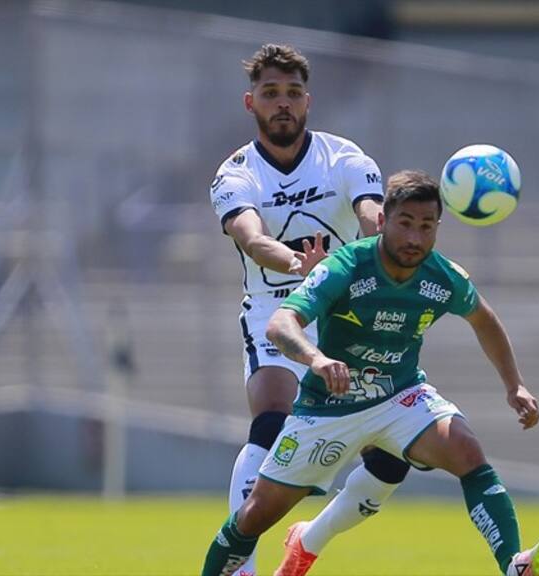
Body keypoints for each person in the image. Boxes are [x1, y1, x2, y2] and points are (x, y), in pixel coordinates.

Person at [201, 170, 539, 576]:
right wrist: (316, 360)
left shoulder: (443, 277)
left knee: (465, 449)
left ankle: (513, 564)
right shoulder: (346, 265)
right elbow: (280, 324)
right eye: (405, 224)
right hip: (327, 410)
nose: (414, 239)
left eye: (426, 227)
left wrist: (515, 386)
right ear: (383, 220)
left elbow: (485, 320)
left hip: (400, 397)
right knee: (254, 516)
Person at [207, 44, 410, 576]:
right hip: (276, 309)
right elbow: (252, 238)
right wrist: (298, 263)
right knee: (271, 423)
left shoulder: (344, 157)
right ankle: (240, 567)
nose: (283, 104)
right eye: (271, 94)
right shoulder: (235, 173)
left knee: (393, 457)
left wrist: (381, 248)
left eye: (293, 94)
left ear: (308, 101)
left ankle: (308, 542)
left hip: (346, 313)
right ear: (251, 102)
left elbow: (372, 215)